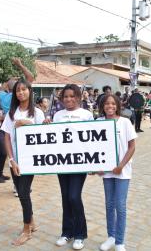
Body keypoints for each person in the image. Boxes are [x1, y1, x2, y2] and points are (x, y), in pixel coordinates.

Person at [48, 84, 93, 250]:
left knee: (74, 196)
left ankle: (80, 234)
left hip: (80, 162)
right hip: (62, 162)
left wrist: (94, 163)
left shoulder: (86, 115)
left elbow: (93, 140)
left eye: (72, 96)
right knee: (65, 197)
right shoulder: (57, 115)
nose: (68, 99)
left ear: (78, 97)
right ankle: (66, 232)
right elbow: (52, 137)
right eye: (65, 96)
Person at [1, 79, 45, 246]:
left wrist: (26, 122)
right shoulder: (11, 113)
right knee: (20, 191)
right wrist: (11, 160)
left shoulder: (37, 113)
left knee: (24, 193)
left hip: (30, 161)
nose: (21, 93)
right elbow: (7, 136)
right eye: (18, 90)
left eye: (24, 89)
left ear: (29, 91)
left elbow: (44, 135)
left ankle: (26, 230)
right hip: (15, 161)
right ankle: (32, 222)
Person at [96, 95, 136, 251]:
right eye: (106, 103)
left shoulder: (125, 122)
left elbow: (132, 146)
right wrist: (97, 166)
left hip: (122, 171)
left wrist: (121, 165)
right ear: (102, 106)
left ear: (118, 105)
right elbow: (95, 147)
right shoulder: (98, 122)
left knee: (120, 205)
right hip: (107, 172)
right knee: (109, 204)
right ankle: (111, 237)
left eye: (113, 103)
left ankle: (120, 241)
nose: (110, 106)